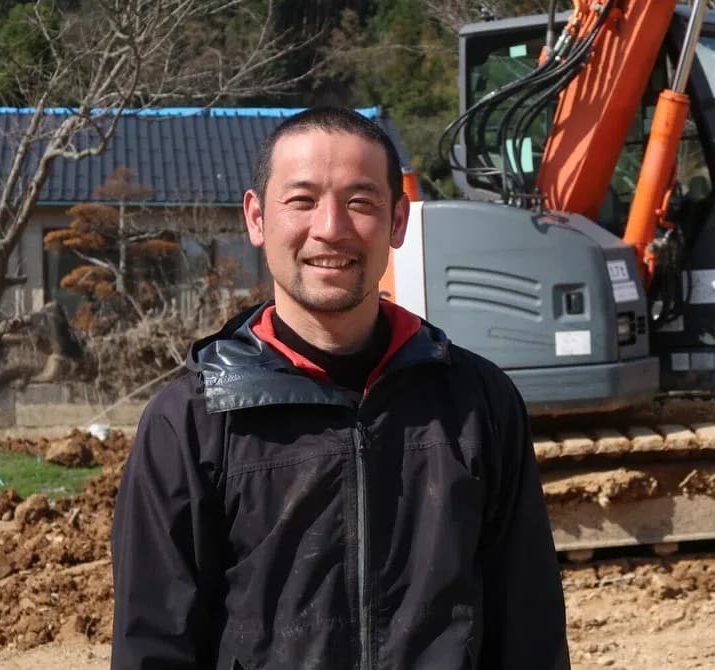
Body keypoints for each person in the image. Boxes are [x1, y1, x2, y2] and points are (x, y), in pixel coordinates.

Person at [111, 106, 570, 669]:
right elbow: (153, 643)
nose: (330, 227)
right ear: (256, 218)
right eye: (301, 200)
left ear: (398, 221)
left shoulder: (479, 403)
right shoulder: (193, 420)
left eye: (360, 202)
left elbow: (529, 628)